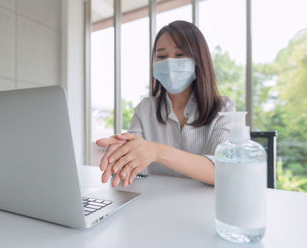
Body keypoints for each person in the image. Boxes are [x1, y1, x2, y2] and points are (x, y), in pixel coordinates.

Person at [96, 20, 235, 188]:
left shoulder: (224, 108)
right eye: (161, 56)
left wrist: (157, 151)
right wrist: (123, 154)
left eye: (179, 55)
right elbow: (138, 165)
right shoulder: (145, 109)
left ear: (199, 59)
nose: (169, 63)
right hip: (157, 204)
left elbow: (223, 171)